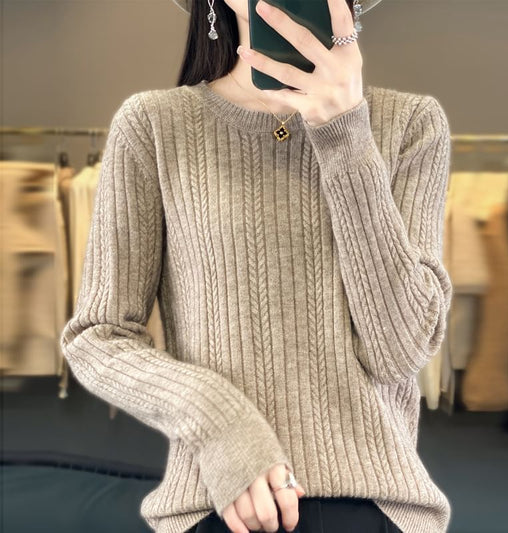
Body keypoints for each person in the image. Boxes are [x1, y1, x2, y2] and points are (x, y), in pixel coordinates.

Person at [60, 0, 454, 532]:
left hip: (372, 508)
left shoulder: (411, 124)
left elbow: (400, 350)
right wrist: (220, 424)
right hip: (217, 504)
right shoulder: (153, 124)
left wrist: (345, 134)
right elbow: (98, 336)